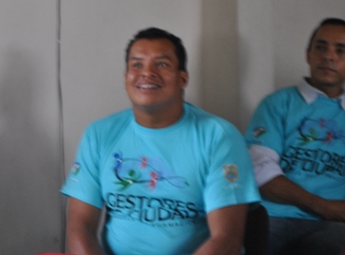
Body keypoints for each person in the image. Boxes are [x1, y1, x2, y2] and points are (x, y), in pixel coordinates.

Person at [61, 27, 260, 255]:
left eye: (162, 64)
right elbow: (79, 228)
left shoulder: (218, 136)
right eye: (137, 65)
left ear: (182, 78)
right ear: (126, 78)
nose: (147, 73)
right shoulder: (99, 134)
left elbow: (226, 239)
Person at [244, 17, 345, 255]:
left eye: (340, 50)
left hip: (332, 227)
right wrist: (323, 206)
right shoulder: (278, 104)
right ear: (308, 54)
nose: (328, 56)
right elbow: (261, 171)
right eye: (321, 47)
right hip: (272, 216)